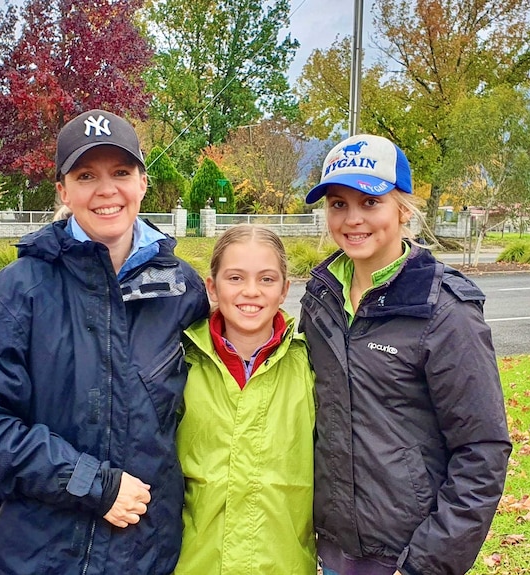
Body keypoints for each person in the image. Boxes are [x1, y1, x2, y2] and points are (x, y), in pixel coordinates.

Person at [0, 109, 209, 575]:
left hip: (145, 554)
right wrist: (92, 485)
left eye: (121, 172)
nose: (106, 190)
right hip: (32, 554)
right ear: (63, 191)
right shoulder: (12, 296)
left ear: (143, 182)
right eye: (86, 175)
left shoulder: (182, 290)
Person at [299, 134, 511, 575]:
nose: (353, 219)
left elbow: (482, 451)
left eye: (370, 202)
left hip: (405, 558)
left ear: (402, 207)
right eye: (338, 204)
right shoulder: (319, 300)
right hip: (332, 552)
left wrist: (426, 564)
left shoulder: (445, 310)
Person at [174, 225, 317, 575]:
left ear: (285, 290)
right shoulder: (179, 363)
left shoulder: (311, 367)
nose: (250, 292)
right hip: (194, 563)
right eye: (235, 278)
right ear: (212, 286)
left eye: (266, 279)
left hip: (282, 564)